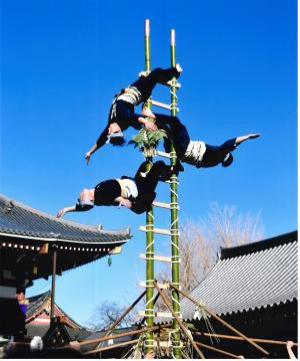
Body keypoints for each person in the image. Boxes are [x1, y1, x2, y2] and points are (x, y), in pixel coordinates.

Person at [85, 65, 182, 164]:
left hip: (130, 92)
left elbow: (100, 142)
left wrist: (90, 152)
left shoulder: (109, 128)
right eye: (120, 131)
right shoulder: (123, 118)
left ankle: (147, 110)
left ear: (110, 131)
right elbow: (133, 117)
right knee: (156, 72)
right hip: (140, 91)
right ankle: (176, 72)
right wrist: (145, 121)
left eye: (115, 131)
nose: (118, 129)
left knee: (149, 79)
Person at [139, 112, 260, 169]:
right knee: (167, 131)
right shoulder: (213, 162)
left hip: (186, 146)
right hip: (182, 153)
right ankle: (176, 163)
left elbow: (230, 143)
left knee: (176, 122)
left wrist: (247, 137)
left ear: (227, 156)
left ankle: (151, 115)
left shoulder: (220, 154)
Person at [56, 161, 172, 217]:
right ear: (90, 198)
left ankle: (160, 174)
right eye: (82, 196)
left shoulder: (98, 191)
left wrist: (67, 209)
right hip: (139, 189)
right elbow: (111, 193)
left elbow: (82, 207)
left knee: (148, 168)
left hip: (134, 182)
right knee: (157, 167)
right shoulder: (99, 194)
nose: (81, 194)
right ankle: (171, 170)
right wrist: (120, 199)